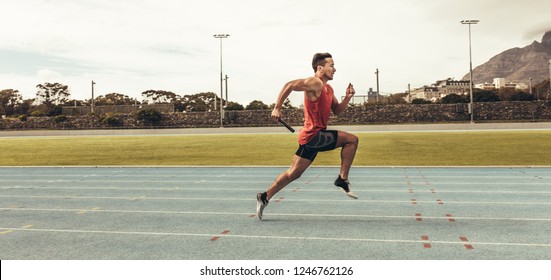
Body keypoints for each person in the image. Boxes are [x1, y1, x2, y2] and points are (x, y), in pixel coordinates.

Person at [256, 52, 359, 220]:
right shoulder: (315, 83)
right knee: (352, 140)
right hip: (314, 135)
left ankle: (264, 196)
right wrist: (277, 107)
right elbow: (289, 85)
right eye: (331, 65)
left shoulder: (327, 88)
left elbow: (337, 110)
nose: (334, 69)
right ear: (320, 67)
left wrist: (348, 97)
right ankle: (342, 179)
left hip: (311, 137)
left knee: (293, 173)